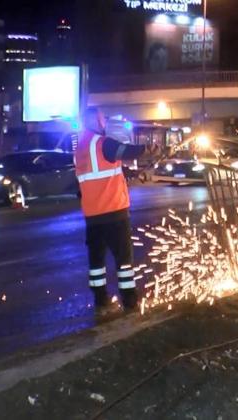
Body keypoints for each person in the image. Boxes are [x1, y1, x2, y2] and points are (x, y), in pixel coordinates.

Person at [75, 107, 148, 314]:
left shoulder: (81, 148)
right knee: (124, 261)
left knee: (96, 262)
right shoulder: (102, 143)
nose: (104, 123)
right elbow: (126, 151)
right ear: (95, 120)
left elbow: (96, 175)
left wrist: (125, 173)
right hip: (114, 213)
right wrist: (149, 148)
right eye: (102, 119)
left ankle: (101, 300)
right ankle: (130, 301)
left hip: (92, 217)